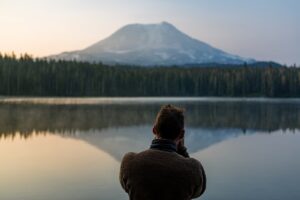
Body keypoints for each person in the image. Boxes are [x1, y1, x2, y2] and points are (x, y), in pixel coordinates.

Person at [119, 104, 206, 200]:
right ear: (181, 135)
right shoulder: (193, 169)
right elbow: (198, 191)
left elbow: (126, 187)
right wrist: (181, 149)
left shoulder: (129, 162)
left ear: (154, 130)